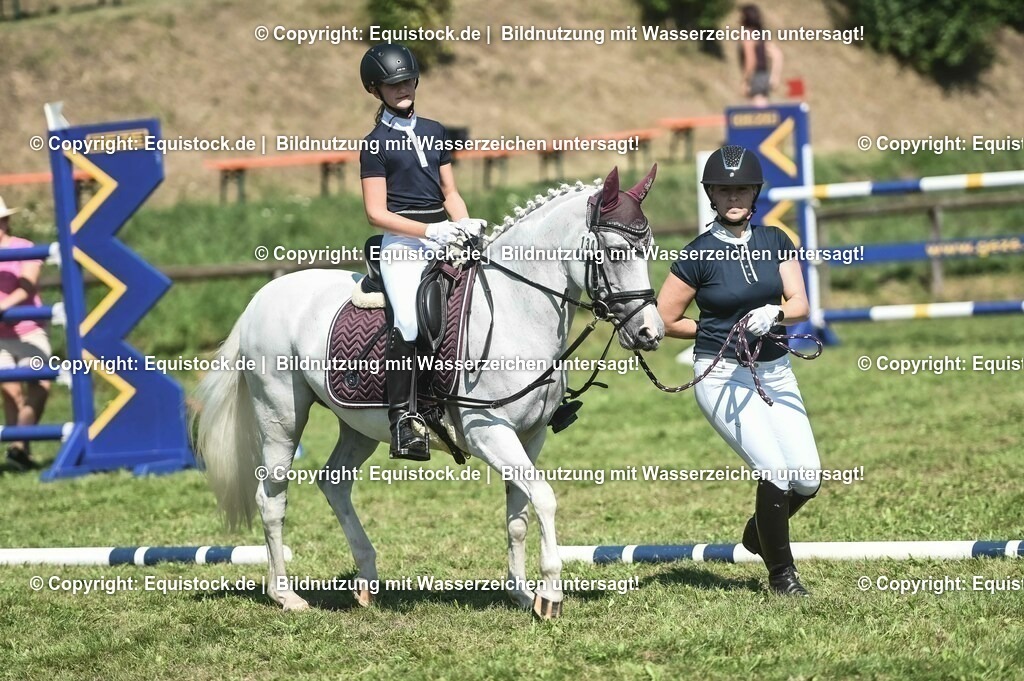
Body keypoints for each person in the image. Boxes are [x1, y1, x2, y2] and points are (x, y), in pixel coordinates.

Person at [656, 145, 821, 596]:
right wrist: (718, 329)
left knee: (807, 479)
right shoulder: (697, 254)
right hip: (721, 373)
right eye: (725, 188)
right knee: (774, 470)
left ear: (755, 193)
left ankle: (759, 532)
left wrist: (776, 313)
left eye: (742, 188)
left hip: (776, 372)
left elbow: (801, 303)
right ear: (711, 194)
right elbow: (665, 319)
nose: (734, 196)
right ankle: (782, 578)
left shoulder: (775, 240)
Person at [358, 43, 484, 462]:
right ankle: (403, 420)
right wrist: (431, 231)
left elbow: (451, 192)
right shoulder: (374, 144)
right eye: (392, 85)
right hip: (404, 244)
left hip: (446, 233)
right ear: (376, 90)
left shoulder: (434, 130)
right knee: (409, 320)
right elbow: (376, 213)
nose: (402, 89)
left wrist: (463, 227)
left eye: (407, 80)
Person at [0, 196, 52, 471]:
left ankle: (19, 445)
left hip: (29, 330)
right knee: (11, 393)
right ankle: (18, 449)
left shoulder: (24, 247)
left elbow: (27, 285)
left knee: (41, 385)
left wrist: (4, 306)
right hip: (1, 338)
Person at [739, 4, 783, 107]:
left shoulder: (748, 35)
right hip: (763, 77)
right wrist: (775, 75)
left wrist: (745, 81)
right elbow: (777, 54)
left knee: (757, 114)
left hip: (755, 78)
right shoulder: (761, 35)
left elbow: (751, 61)